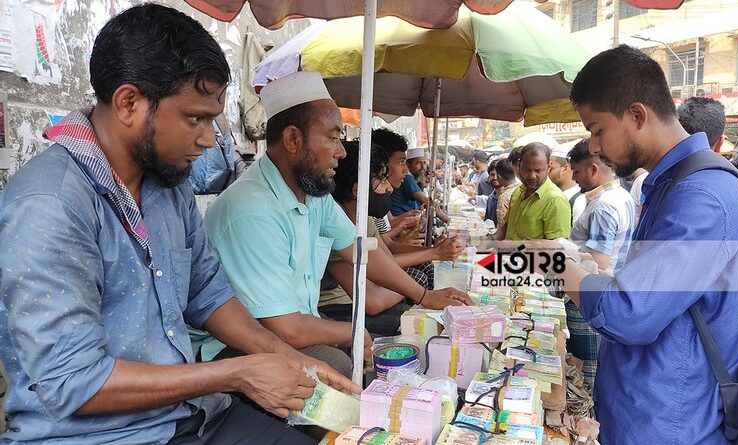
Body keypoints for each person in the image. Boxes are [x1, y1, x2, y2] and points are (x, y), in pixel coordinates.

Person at [0, 5, 358, 444]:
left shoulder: (167, 188)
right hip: (100, 436)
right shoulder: (50, 204)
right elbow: (73, 382)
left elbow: (207, 292)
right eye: (196, 118)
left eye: (213, 120)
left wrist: (288, 358)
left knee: (332, 421)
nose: (210, 139)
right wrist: (235, 373)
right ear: (129, 103)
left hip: (189, 417)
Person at [192, 72, 469, 375]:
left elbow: (362, 251)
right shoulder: (252, 210)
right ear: (293, 140)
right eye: (334, 137)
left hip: (292, 325)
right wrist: (348, 332)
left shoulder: (313, 194)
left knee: (379, 352)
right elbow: (287, 329)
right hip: (232, 346)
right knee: (339, 364)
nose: (341, 152)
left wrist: (425, 296)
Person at [551, 44, 738, 444]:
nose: (593, 146)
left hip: (669, 426)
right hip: (645, 415)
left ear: (637, 115)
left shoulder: (704, 196)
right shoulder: (673, 184)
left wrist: (557, 264)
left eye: (597, 130)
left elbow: (630, 312)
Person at [319, 141, 469, 336]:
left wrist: (429, 260)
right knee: (413, 320)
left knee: (417, 298)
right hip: (336, 305)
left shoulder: (364, 217)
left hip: (360, 296)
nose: (389, 188)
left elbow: (385, 257)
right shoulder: (337, 222)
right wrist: (423, 292)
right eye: (382, 180)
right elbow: (372, 301)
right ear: (357, 190)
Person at [566, 139, 636, 390]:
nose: (574, 178)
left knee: (587, 370)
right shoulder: (621, 197)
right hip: (604, 290)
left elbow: (598, 262)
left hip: (590, 293)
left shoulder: (604, 206)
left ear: (593, 169)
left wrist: (562, 255)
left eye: (576, 171)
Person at [373, 128, 464, 289]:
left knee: (426, 268)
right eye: (402, 162)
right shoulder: (371, 205)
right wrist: (434, 252)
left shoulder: (378, 203)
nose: (406, 170)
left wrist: (434, 249)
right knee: (420, 277)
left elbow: (387, 243)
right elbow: (383, 254)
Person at [496, 142, 571, 241]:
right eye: (527, 170)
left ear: (548, 168)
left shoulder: (555, 200)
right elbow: (505, 228)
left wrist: (513, 247)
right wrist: (485, 240)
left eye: (538, 171)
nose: (532, 176)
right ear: (519, 166)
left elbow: (557, 247)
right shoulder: (517, 192)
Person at [548, 141, 586, 225]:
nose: (547, 173)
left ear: (565, 168)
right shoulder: (555, 196)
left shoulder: (579, 201)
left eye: (551, 169)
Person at [485, 159, 517, 228]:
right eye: (492, 175)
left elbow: (502, 229)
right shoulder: (490, 198)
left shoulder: (509, 196)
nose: (495, 178)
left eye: (497, 175)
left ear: (500, 176)